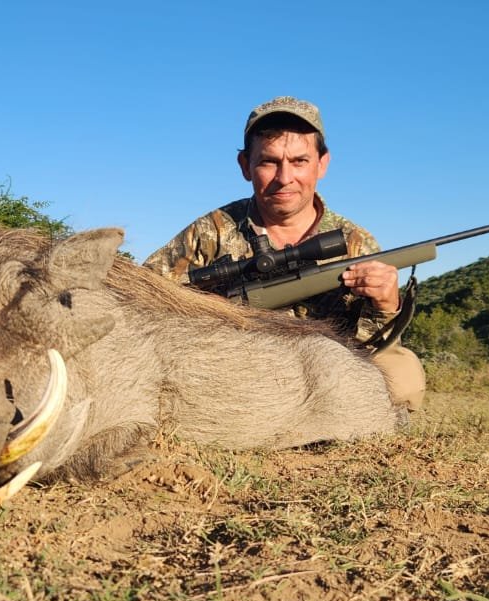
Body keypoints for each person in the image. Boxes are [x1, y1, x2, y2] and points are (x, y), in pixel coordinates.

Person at [143, 96, 426, 411]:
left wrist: (386, 306)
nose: (284, 178)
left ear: (322, 163)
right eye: (269, 161)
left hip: (325, 368)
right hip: (231, 361)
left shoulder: (355, 243)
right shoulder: (211, 231)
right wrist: (205, 310)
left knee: (402, 374)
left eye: (299, 161)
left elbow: (369, 347)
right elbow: (142, 293)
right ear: (245, 166)